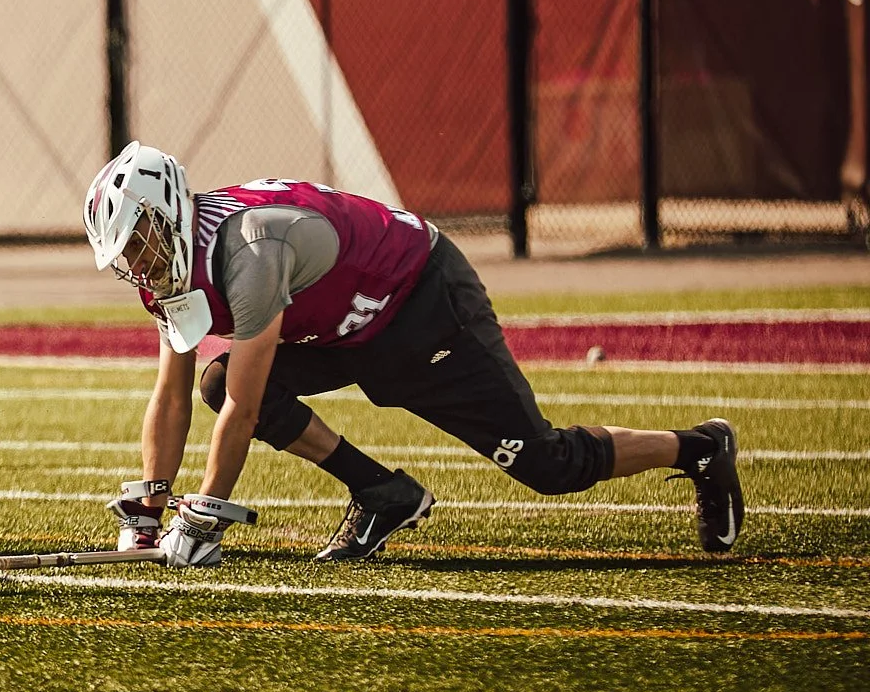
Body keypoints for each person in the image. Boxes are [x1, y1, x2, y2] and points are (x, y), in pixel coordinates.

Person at [83, 142, 745, 565]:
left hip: (421, 304)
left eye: (139, 242)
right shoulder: (168, 272)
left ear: (167, 209)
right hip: (345, 327)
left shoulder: (249, 253)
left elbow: (247, 408)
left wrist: (205, 511)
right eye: (126, 256)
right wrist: (148, 507)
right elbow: (171, 393)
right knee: (214, 380)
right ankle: (382, 492)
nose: (138, 265)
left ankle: (700, 448)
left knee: (546, 462)